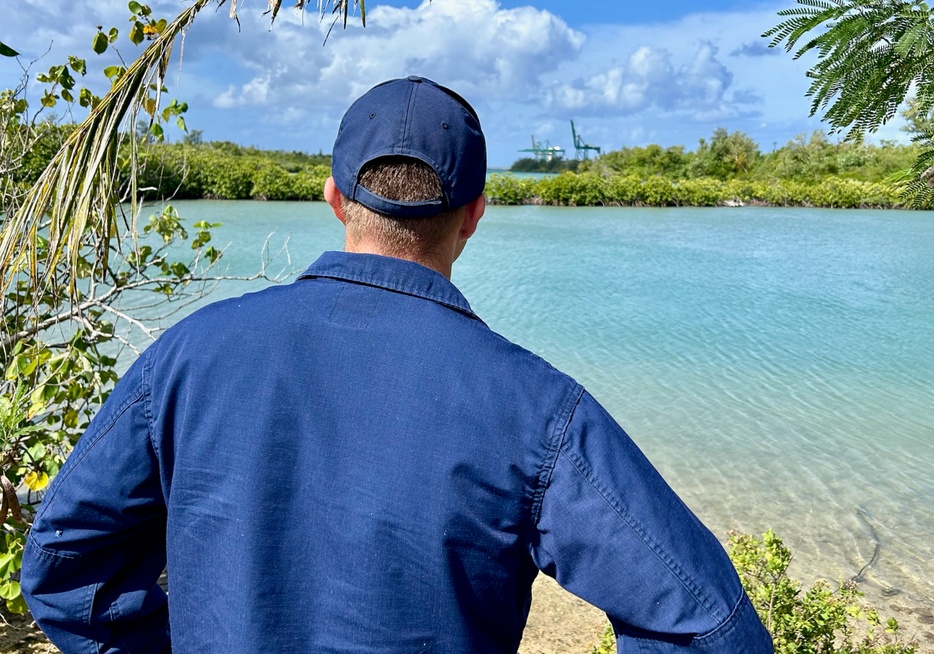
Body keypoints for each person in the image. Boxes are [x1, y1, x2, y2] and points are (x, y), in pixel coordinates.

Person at [21, 76, 772, 653]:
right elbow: (710, 628)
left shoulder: (188, 356)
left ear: (335, 198)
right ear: (476, 213)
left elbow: (63, 567)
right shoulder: (536, 408)